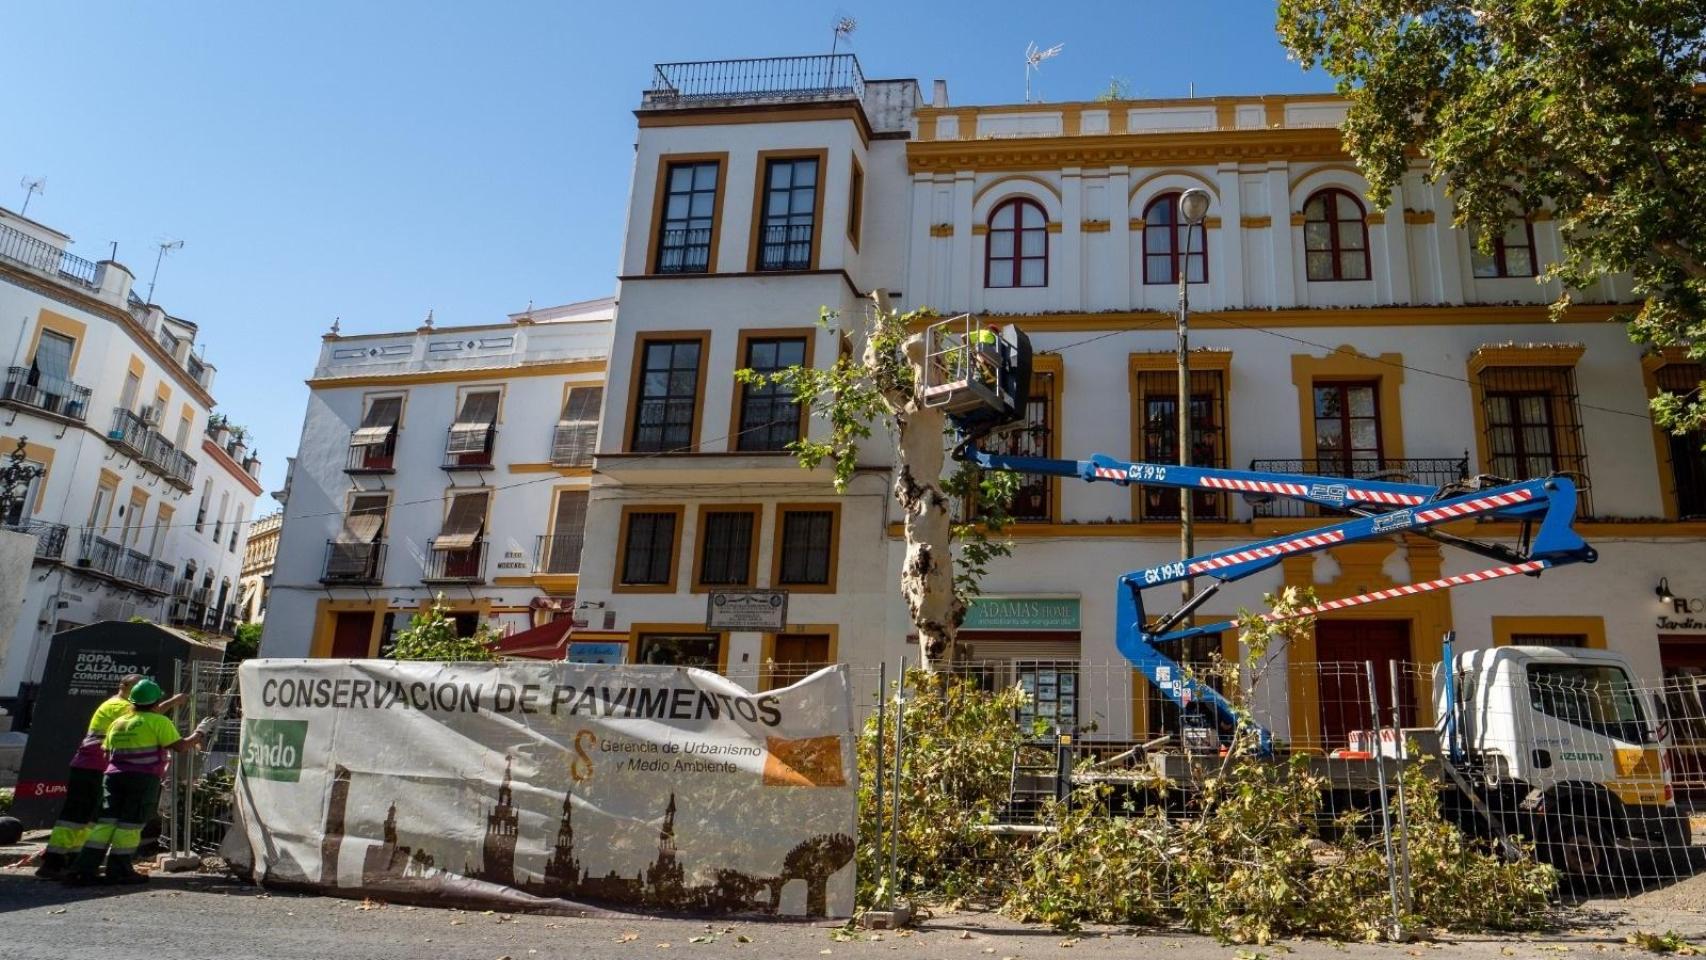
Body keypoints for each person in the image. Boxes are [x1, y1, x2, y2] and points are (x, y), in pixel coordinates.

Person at [34, 674, 181, 879]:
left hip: (97, 766)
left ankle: (76, 861)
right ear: (126, 687)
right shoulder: (119, 707)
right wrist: (174, 703)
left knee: (91, 817)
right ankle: (54, 862)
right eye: (138, 685)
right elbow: (148, 714)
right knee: (77, 816)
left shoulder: (118, 705)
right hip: (93, 766)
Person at [63, 678, 208, 885]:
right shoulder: (159, 722)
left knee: (106, 823)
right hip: (142, 779)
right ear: (157, 702)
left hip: (112, 777)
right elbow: (181, 747)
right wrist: (200, 732)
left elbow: (106, 750)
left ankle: (83, 868)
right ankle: (119, 870)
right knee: (130, 825)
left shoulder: (118, 722)